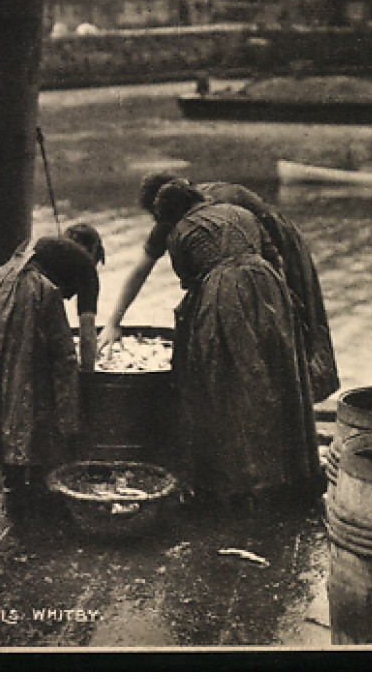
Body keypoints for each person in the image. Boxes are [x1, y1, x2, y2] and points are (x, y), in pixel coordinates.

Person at [131, 180, 322, 505]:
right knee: (276, 377)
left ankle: (237, 482)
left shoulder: (179, 232)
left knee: (225, 384)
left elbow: (190, 280)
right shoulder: (238, 211)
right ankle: (290, 474)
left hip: (224, 295)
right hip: (269, 286)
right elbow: (273, 255)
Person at [99, 172, 339, 403]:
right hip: (254, 265)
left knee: (290, 331)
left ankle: (291, 400)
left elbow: (267, 252)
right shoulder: (179, 207)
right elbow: (142, 268)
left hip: (280, 246)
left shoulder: (211, 205)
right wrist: (114, 321)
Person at [0, 224, 105, 513]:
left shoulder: (41, 248)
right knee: (47, 377)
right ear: (93, 250)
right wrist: (88, 380)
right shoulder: (86, 265)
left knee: (1, 375)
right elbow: (87, 336)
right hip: (27, 294)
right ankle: (42, 473)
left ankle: (10, 474)